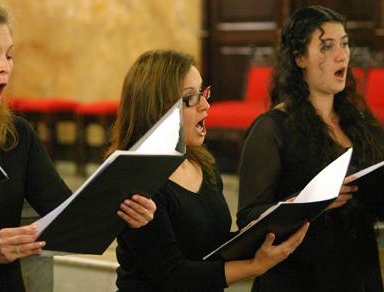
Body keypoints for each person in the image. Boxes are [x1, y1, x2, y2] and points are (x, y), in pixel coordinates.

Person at [0, 0, 156, 291]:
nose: (4, 67)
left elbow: (67, 216)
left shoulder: (17, 136)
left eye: (9, 56)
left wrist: (126, 214)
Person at [108, 49, 309, 291]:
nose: (206, 105)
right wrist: (256, 266)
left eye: (203, 93)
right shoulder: (136, 178)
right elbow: (173, 276)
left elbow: (212, 245)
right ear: (158, 107)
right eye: (191, 98)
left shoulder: (203, 162)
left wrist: (277, 218)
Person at [237, 5, 384, 292]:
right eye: (326, 46)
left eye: (344, 44)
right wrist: (307, 203)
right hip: (299, 277)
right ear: (300, 58)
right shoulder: (272, 128)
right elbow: (248, 219)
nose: (341, 55)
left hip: (358, 273)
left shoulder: (359, 122)